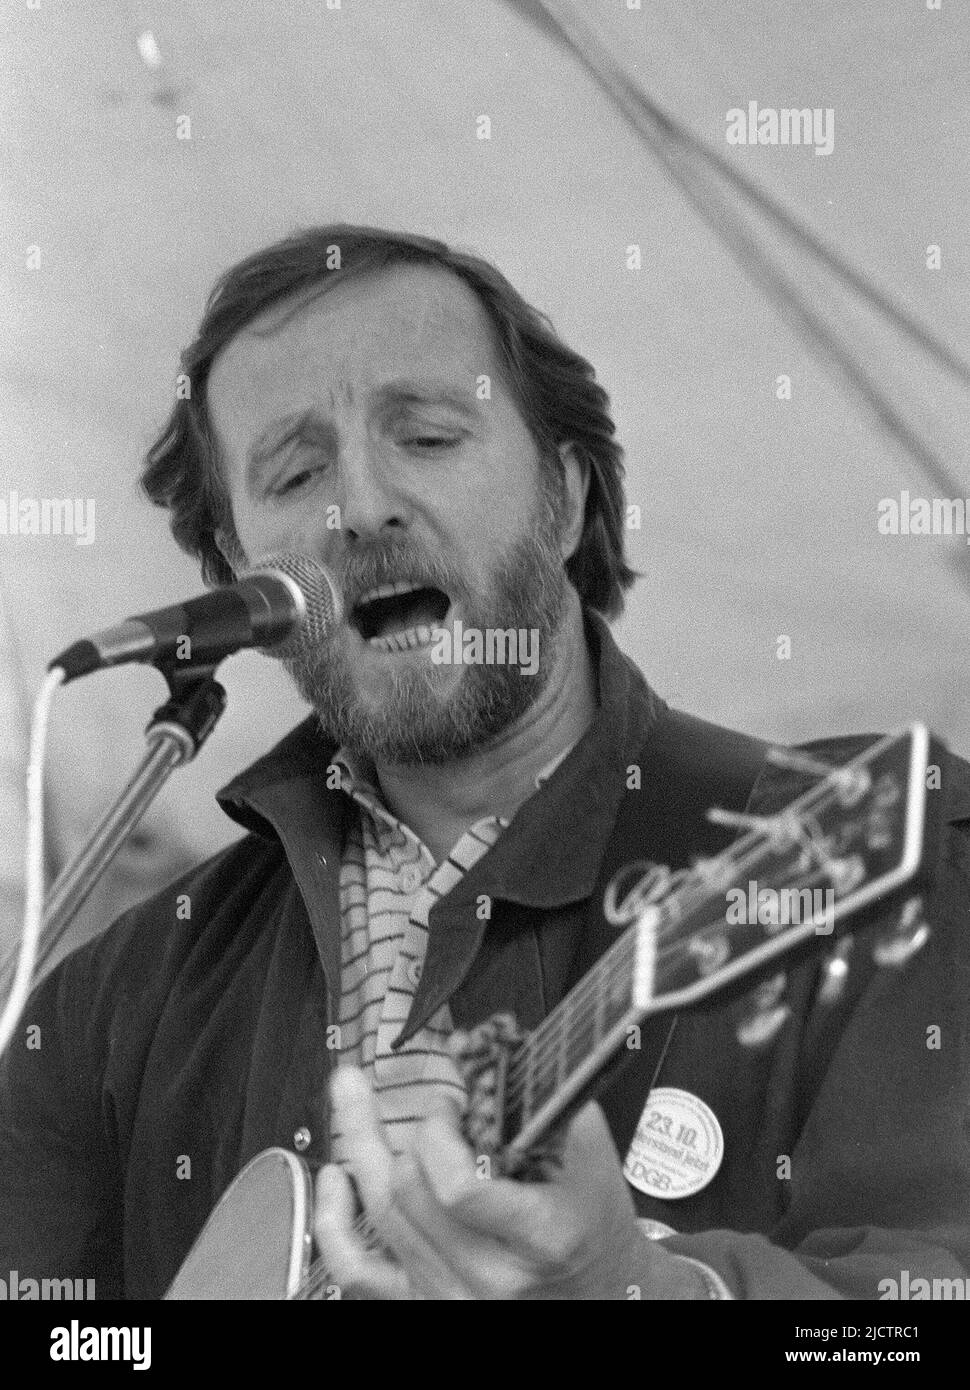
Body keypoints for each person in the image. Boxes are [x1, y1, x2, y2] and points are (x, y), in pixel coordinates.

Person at [1, 226, 968, 1301]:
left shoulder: (847, 853)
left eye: (425, 436)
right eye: (294, 470)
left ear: (565, 498)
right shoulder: (107, 1007)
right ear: (240, 568)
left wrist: (635, 1289)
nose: (360, 506)